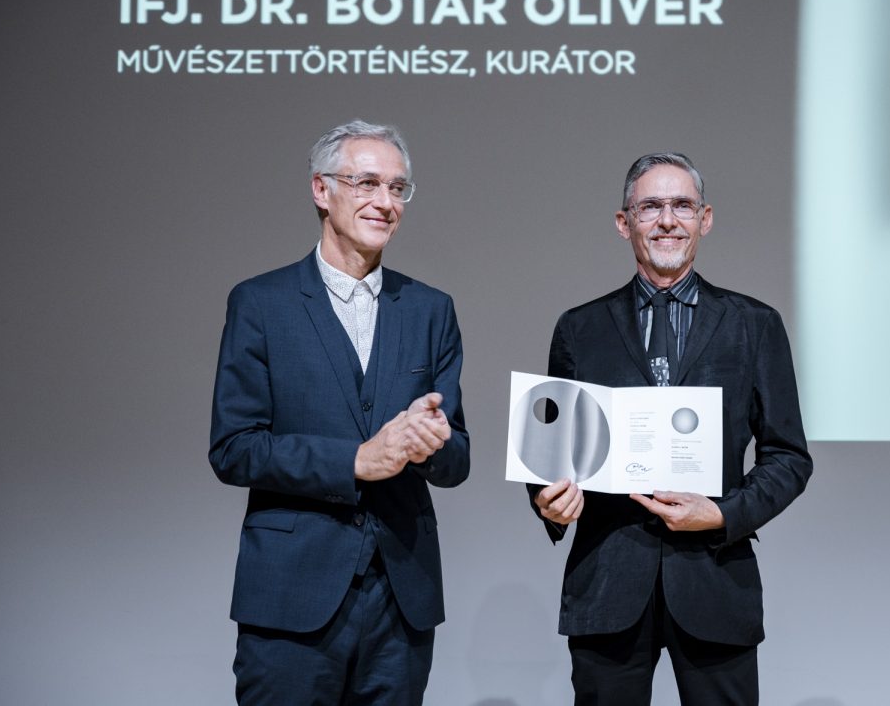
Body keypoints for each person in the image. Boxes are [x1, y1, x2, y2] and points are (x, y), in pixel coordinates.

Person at [529, 152, 811, 705]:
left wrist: (725, 513)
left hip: (714, 578)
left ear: (704, 219)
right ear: (624, 222)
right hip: (607, 583)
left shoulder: (754, 325)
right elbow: (551, 457)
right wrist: (546, 499)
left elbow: (789, 456)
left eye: (682, 206)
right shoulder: (580, 329)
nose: (666, 220)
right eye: (650, 206)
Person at [210, 120, 470, 705]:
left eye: (398, 188)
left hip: (402, 599)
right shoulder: (261, 303)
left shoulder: (430, 309)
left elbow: (458, 458)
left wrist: (430, 444)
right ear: (321, 190)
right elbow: (234, 447)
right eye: (366, 183)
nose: (385, 202)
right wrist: (356, 460)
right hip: (290, 596)